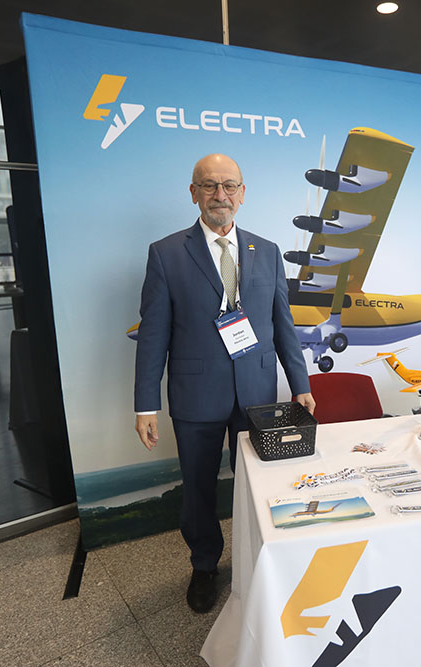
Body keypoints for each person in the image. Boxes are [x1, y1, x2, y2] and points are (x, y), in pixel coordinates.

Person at [134, 153, 315, 613]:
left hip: (256, 392)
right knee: (198, 488)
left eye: (229, 185)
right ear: (194, 193)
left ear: (242, 193)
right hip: (195, 395)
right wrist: (145, 405)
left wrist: (301, 384)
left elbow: (283, 325)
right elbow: (153, 335)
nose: (221, 195)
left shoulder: (267, 251)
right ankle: (204, 565)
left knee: (257, 485)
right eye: (210, 185)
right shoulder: (166, 253)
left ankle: (258, 560)